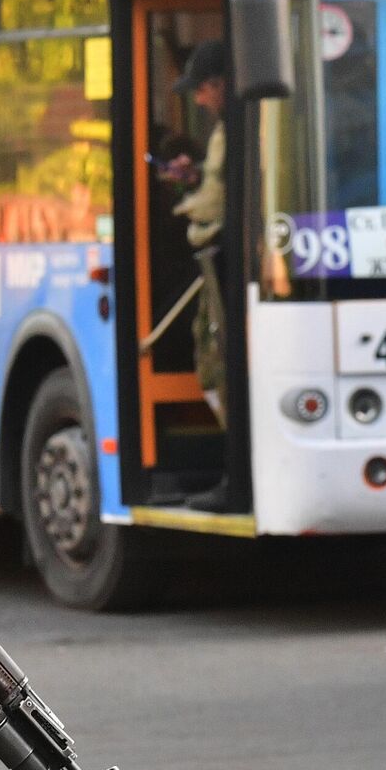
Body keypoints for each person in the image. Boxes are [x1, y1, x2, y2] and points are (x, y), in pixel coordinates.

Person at [164, 40, 232, 510]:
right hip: (223, 263)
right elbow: (221, 180)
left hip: (221, 263)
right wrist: (199, 175)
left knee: (214, 364)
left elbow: (217, 202)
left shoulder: (232, 127)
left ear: (220, 85)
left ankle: (236, 475)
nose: (200, 101)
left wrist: (185, 202)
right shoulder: (233, 127)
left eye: (204, 90)